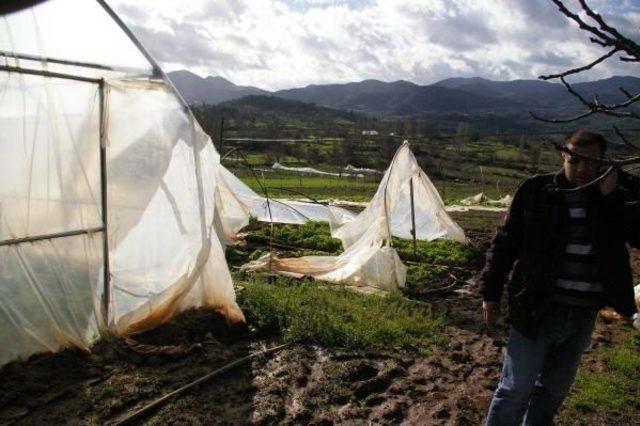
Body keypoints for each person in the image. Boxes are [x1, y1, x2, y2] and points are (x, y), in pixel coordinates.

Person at [478, 129, 640, 426]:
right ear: (563, 156)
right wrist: (490, 292)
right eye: (574, 160)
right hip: (537, 306)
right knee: (516, 388)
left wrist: (611, 198)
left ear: (604, 163)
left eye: (591, 162)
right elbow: (505, 243)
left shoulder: (616, 196)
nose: (582, 169)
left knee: (554, 390)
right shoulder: (538, 192)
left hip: (583, 313)